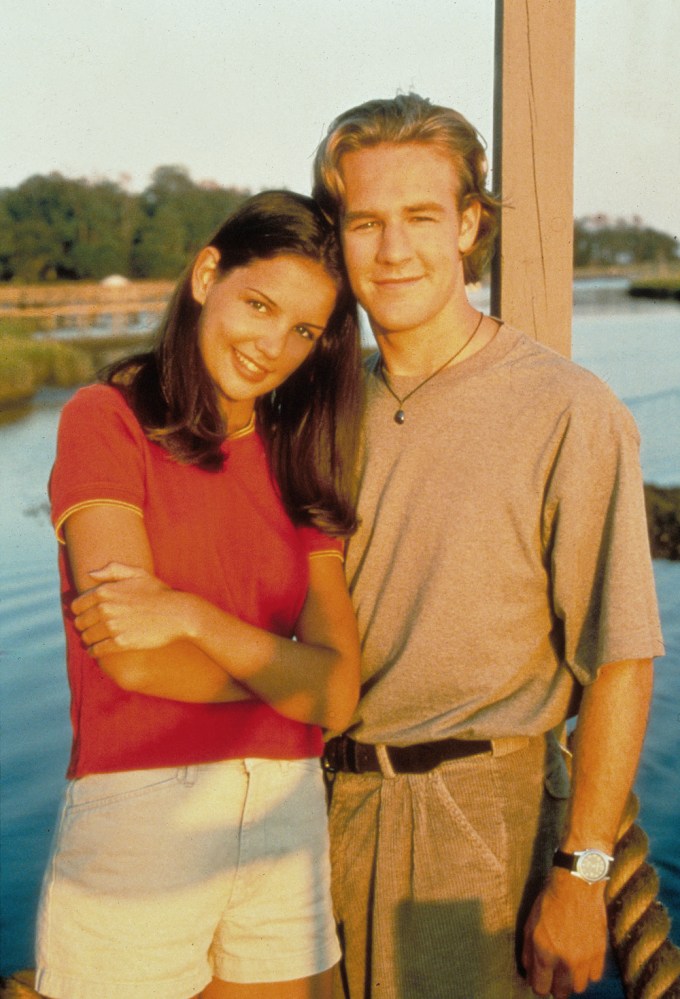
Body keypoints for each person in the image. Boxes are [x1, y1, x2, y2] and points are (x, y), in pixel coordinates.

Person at [311, 94, 664, 999]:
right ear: (337, 236)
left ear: (469, 224)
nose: (394, 251)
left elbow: (621, 658)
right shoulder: (320, 408)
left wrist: (583, 875)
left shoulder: (565, 408)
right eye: (366, 222)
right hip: (316, 818)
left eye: (422, 218)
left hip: (478, 828)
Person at [34, 190, 365, 999]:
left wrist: (190, 615)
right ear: (206, 273)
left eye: (302, 330)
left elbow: (344, 696)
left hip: (286, 816)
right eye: (258, 304)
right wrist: (291, 680)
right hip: (145, 814)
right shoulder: (105, 419)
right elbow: (134, 659)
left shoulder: (297, 460)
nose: (271, 345)